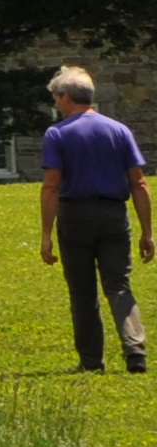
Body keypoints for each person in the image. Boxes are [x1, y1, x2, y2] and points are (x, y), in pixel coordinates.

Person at [37, 64, 154, 375]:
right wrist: (147, 232)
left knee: (82, 290)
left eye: (56, 97)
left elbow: (51, 185)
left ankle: (91, 361)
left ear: (65, 97)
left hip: (75, 215)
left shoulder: (57, 134)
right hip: (114, 214)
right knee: (118, 284)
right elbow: (139, 182)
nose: (55, 103)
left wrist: (46, 234)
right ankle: (135, 349)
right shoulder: (118, 130)